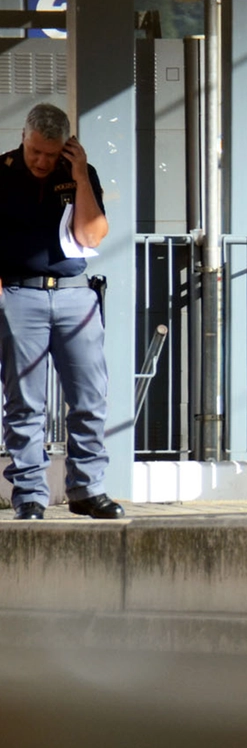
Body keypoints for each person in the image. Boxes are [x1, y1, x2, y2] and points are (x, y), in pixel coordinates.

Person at [0, 104, 122, 520]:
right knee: (24, 404)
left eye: (51, 154)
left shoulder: (77, 175)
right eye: (36, 151)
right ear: (24, 137)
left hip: (74, 295)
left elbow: (90, 233)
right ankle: (30, 494)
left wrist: (81, 174)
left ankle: (87, 489)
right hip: (19, 294)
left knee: (89, 396)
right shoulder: (2, 171)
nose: (41, 161)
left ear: (66, 147)